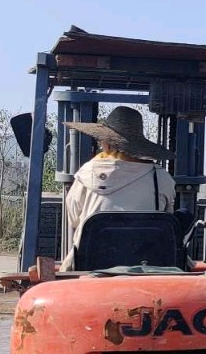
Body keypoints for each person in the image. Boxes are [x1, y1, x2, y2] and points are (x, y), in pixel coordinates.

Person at [61, 106, 176, 268]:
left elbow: (73, 218)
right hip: (147, 267)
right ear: (138, 146)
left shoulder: (86, 173)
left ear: (107, 144)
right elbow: (166, 221)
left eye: (101, 140)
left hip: (90, 266)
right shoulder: (162, 178)